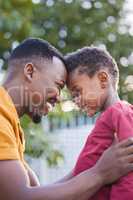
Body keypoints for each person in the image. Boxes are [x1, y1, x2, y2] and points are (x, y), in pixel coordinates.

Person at [0, 38, 133, 200]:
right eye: (58, 85)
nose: (59, 98)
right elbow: (19, 196)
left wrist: (94, 170)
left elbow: (38, 192)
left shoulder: (9, 124)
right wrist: (99, 173)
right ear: (30, 72)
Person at [65, 47, 133, 200]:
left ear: (103, 79)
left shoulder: (120, 112)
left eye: (77, 92)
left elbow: (130, 172)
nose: (75, 101)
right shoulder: (107, 117)